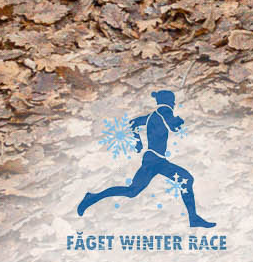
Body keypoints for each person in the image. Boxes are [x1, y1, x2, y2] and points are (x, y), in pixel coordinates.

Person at [76, 90, 215, 227]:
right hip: (155, 161)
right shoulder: (165, 111)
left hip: (155, 159)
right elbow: (174, 128)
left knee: (132, 191)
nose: (173, 104)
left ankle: (92, 197)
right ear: (168, 102)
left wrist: (138, 142)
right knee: (185, 180)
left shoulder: (152, 115)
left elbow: (133, 123)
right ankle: (193, 218)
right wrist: (179, 121)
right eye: (173, 101)